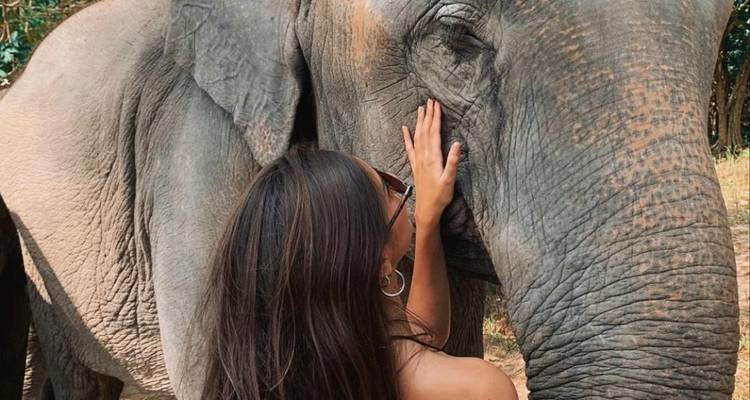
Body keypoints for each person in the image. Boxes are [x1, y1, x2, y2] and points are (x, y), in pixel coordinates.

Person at [197, 99, 518, 400]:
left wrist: (427, 219)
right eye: (387, 188)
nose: (400, 188)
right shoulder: (479, 388)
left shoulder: (307, 376)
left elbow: (423, 335)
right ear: (379, 263)